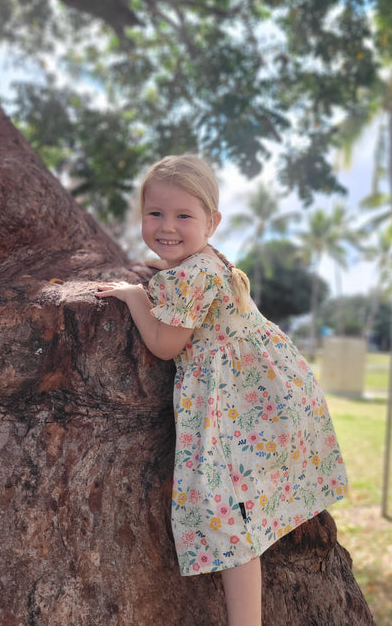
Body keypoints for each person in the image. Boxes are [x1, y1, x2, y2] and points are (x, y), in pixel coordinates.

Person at [95, 154, 348, 626]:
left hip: (236, 404)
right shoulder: (206, 263)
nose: (166, 226)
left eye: (183, 216)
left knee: (228, 521)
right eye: (155, 214)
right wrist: (158, 276)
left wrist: (133, 296)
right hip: (267, 394)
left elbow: (166, 345)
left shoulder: (191, 275)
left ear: (212, 222)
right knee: (244, 509)